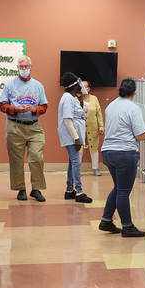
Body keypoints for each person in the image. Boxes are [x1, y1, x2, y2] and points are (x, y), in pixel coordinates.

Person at [98, 78, 145, 238]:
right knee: (123, 191)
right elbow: (140, 135)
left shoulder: (111, 105)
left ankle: (106, 221)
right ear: (135, 92)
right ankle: (127, 226)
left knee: (118, 187)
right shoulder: (133, 108)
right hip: (125, 153)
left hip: (108, 152)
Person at [0, 55, 47, 201]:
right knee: (16, 160)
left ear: (31, 67)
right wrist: (15, 109)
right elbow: (1, 105)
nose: (23, 69)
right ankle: (21, 189)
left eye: (26, 66)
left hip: (34, 127)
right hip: (15, 126)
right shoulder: (10, 85)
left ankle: (36, 188)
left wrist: (34, 109)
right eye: (21, 67)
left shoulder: (38, 86)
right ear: (17, 68)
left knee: (36, 157)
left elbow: (44, 107)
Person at [57, 73, 92, 203]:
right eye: (78, 84)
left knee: (73, 162)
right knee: (76, 162)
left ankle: (69, 190)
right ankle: (79, 191)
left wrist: (82, 100)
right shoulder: (67, 98)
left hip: (74, 136)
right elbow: (67, 120)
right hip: (72, 137)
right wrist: (76, 138)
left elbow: (81, 114)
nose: (80, 86)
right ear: (73, 86)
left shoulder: (72, 98)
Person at [84, 81, 104, 176]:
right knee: (78, 149)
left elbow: (99, 113)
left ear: (89, 89)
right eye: (81, 87)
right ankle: (76, 169)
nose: (83, 89)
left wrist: (101, 126)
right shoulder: (75, 99)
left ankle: (95, 168)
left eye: (85, 87)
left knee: (94, 148)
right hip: (80, 128)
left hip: (93, 127)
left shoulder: (94, 99)